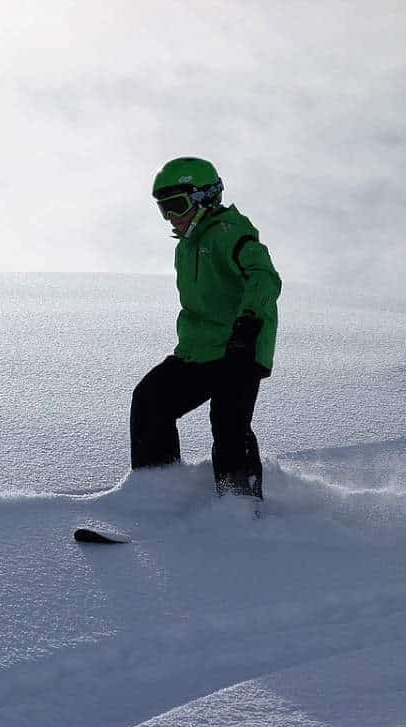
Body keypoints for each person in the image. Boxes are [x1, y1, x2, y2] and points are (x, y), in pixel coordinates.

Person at [130, 157, 282, 501]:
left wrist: (248, 324)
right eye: (162, 209)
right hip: (199, 351)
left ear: (204, 199)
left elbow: (264, 276)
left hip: (239, 349)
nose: (170, 216)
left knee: (229, 422)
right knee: (151, 400)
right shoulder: (187, 246)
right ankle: (158, 494)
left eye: (176, 205)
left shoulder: (229, 233)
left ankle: (240, 507)